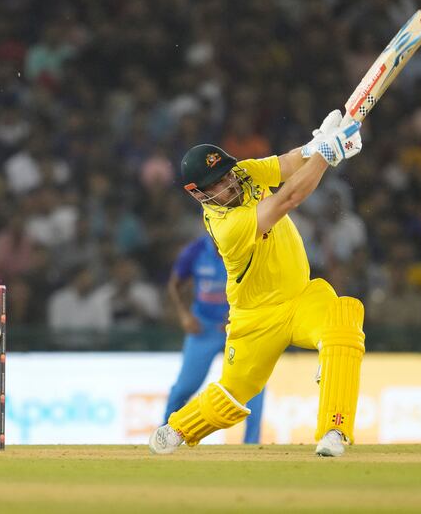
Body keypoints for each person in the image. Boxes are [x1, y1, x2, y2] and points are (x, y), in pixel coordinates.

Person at [149, 110, 365, 457]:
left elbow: (287, 164)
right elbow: (287, 199)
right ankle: (176, 428)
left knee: (343, 322)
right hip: (255, 316)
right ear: (198, 194)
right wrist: (328, 155)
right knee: (233, 393)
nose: (229, 183)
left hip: (300, 297)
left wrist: (317, 145)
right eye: (216, 183)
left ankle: (334, 431)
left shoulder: (243, 173)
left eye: (227, 173)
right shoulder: (225, 227)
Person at [164, 233, 265, 444]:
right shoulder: (196, 250)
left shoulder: (246, 247)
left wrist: (241, 311)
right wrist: (184, 315)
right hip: (204, 328)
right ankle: (164, 434)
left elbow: (262, 283)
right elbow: (175, 284)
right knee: (185, 387)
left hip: (239, 326)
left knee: (254, 386)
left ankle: (252, 445)